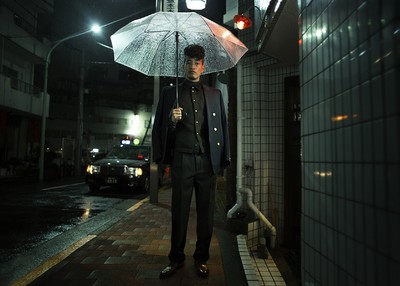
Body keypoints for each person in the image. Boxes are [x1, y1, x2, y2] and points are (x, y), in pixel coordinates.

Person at [152, 44, 230, 279]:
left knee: (206, 213)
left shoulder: (214, 95)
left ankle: (201, 258)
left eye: (196, 62)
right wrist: (171, 120)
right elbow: (159, 129)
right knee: (180, 212)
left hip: (206, 161)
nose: (192, 66)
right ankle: (175, 258)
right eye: (188, 62)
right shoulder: (170, 93)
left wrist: (222, 160)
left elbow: (222, 129)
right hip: (182, 160)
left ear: (203, 66)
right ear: (183, 65)